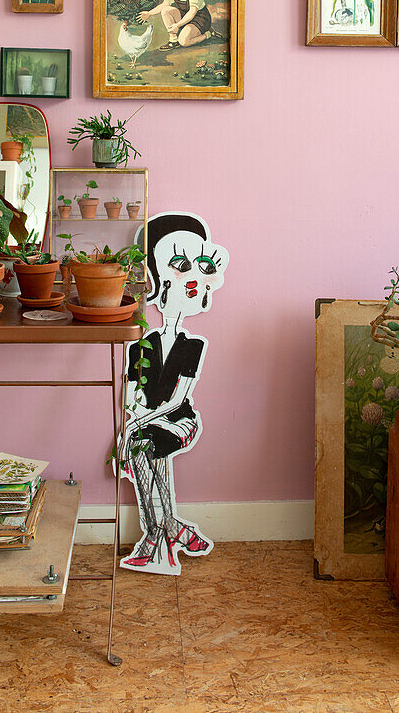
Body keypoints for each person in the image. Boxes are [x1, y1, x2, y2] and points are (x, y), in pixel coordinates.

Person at [119, 211, 229, 574]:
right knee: (146, 446)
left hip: (180, 421)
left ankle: (155, 538)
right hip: (148, 424)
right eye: (180, 266)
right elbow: (134, 396)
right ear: (157, 279)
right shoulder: (141, 345)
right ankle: (171, 529)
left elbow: (179, 400)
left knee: (143, 444)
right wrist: (133, 423)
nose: (194, 280)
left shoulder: (192, 345)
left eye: (200, 266)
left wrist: (133, 429)